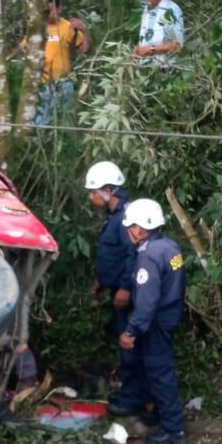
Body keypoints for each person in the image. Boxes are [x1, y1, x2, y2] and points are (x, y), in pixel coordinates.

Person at [118, 199, 188, 444]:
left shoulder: (148, 256)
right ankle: (159, 413)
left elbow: (146, 302)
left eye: (130, 227)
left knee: (160, 373)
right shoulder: (170, 247)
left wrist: (130, 330)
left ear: (139, 229)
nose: (129, 232)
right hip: (169, 317)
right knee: (159, 371)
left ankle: (173, 429)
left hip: (156, 323)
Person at [85, 162, 141, 417]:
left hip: (126, 295)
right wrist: (102, 280)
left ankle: (132, 400)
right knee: (124, 343)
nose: (91, 196)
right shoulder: (114, 216)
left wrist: (125, 289)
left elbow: (133, 254)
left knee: (129, 345)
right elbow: (114, 256)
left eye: (94, 191)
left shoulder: (124, 218)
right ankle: (130, 392)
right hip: (116, 288)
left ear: (108, 190)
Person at [34, 0, 90, 125]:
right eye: (46, 10)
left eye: (52, 9)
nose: (49, 13)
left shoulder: (67, 26)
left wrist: (84, 30)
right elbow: (23, 49)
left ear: (60, 9)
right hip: (42, 84)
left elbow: (85, 49)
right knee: (40, 123)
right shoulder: (37, 27)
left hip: (63, 82)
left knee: (64, 124)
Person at [132, 0, 183, 65]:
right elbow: (144, 38)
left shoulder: (171, 10)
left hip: (164, 69)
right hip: (144, 69)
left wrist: (151, 49)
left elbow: (176, 45)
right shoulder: (147, 9)